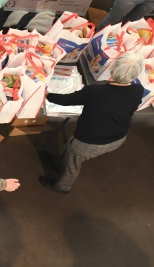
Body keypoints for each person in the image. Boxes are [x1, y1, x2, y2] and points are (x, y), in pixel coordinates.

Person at [40, 52, 145, 194]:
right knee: (71, 154)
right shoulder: (138, 90)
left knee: (73, 164)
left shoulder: (95, 91)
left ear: (113, 68)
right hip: (118, 137)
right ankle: (60, 162)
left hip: (89, 142)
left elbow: (66, 100)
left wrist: (47, 95)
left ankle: (62, 187)